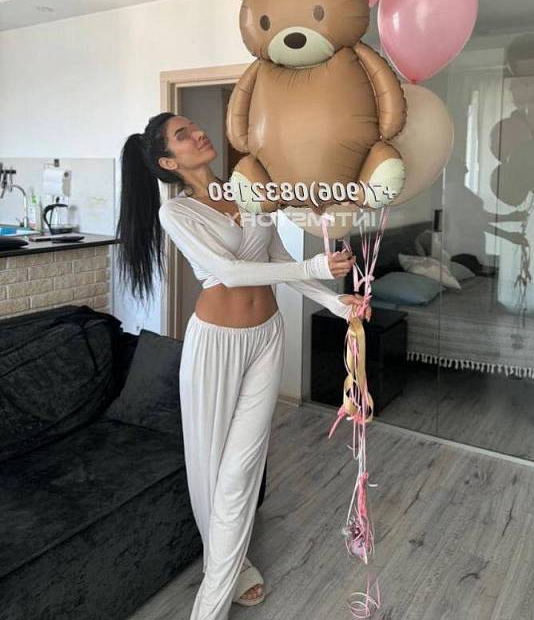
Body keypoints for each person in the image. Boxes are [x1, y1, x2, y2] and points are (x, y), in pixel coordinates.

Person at [115, 111, 370, 620]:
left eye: (194, 126)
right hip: (215, 345)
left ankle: (225, 573)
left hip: (266, 338)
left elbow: (274, 259)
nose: (198, 133)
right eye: (183, 135)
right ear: (169, 162)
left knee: (242, 470)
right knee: (210, 470)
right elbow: (229, 272)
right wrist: (315, 265)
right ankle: (221, 587)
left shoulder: (247, 191)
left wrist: (333, 301)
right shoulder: (177, 214)